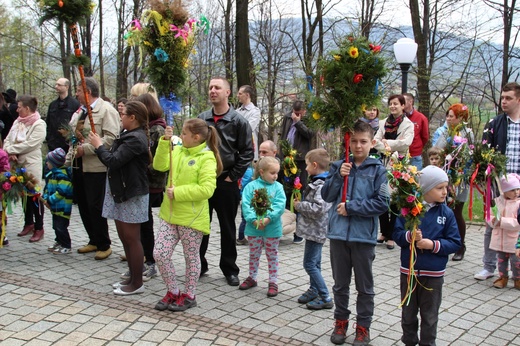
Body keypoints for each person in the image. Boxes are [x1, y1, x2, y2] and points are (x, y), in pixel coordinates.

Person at [321, 121, 389, 345]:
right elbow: (327, 196)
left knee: (364, 287)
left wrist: (351, 208)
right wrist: (339, 176)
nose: (358, 146)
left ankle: (363, 327)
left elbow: (382, 203)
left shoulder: (378, 170)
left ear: (372, 142)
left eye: (363, 141)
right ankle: (340, 322)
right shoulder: (338, 166)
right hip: (339, 236)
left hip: (363, 237)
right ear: (348, 142)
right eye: (355, 141)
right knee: (340, 284)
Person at [152, 118, 221, 311]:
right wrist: (164, 143)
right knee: (160, 253)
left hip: (191, 218)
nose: (180, 135)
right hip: (169, 214)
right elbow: (159, 166)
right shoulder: (178, 150)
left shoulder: (207, 158)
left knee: (191, 257)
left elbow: (207, 189)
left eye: (184, 133)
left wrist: (179, 193)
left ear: (196, 137)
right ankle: (173, 291)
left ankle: (189, 295)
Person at [393, 165, 461, 346]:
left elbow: (455, 242)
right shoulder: (408, 210)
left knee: (430, 315)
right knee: (408, 313)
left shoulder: (446, 214)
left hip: (433, 274)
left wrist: (432, 245)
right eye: (440, 188)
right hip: (409, 272)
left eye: (446, 187)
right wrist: (410, 237)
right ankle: (409, 340)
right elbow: (397, 235)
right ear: (425, 188)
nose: (445, 192)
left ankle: (428, 343)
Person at [89, 100, 150, 295]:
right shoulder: (128, 135)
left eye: (123, 115)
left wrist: (99, 146)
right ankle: (132, 278)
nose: (120, 118)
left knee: (132, 238)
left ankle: (137, 283)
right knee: (124, 237)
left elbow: (113, 161)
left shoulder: (136, 139)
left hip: (131, 193)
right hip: (121, 192)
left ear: (133, 117)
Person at [198, 76, 254, 286]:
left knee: (228, 227)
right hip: (203, 182)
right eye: (210, 87)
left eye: (217, 88)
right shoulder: (202, 119)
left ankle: (229, 269)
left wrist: (233, 176)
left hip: (226, 182)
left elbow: (247, 152)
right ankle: (199, 265)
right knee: (200, 227)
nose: (213, 90)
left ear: (227, 93)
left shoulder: (239, 121)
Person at [66, 77, 120, 260]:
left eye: (79, 91)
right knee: (83, 204)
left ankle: (104, 243)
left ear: (87, 91)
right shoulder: (80, 111)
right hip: (79, 165)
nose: (76, 94)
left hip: (96, 166)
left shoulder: (106, 110)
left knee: (96, 206)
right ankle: (93, 239)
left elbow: (111, 139)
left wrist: (86, 149)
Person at [475, 82, 520, 280]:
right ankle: (489, 266)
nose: (504, 101)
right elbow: (485, 152)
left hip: (518, 185)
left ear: (518, 99)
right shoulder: (494, 124)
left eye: (508, 98)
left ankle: (516, 269)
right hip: (498, 184)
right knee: (492, 223)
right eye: (502, 97)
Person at [239, 156, 286, 297]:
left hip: (272, 228)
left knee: (272, 255)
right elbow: (246, 204)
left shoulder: (278, 187)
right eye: (272, 173)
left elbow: (280, 205)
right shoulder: (251, 187)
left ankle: (273, 281)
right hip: (254, 228)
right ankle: (252, 277)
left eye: (277, 173)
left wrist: (268, 218)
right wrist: (253, 219)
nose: (275, 176)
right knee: (254, 254)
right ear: (261, 172)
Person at [294, 148, 333, 310]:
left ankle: (325, 296)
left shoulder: (321, 185)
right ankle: (314, 289)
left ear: (315, 165)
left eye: (307, 164)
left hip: (316, 230)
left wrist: (299, 205)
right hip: (314, 229)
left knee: (309, 264)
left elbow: (319, 208)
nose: (305, 168)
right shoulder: (319, 182)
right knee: (315, 263)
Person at [433, 103, 474, 261]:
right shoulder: (443, 132)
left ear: (461, 118)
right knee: (441, 210)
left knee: (457, 212)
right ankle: (442, 243)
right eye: (447, 115)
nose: (448, 119)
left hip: (460, 179)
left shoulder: (467, 133)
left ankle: (460, 245)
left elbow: (471, 154)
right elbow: (436, 150)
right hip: (444, 177)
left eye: (452, 116)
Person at [374, 94, 414, 249]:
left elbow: (405, 144)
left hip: (399, 164)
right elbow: (375, 141)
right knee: (382, 196)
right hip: (383, 163)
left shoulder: (408, 124)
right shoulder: (383, 122)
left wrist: (386, 143)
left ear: (403, 106)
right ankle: (383, 231)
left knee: (395, 200)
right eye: (390, 104)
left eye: (396, 104)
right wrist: (387, 145)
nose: (393, 106)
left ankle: (391, 235)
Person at [5, 95, 46, 242]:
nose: (17, 109)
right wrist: (10, 150)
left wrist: (14, 150)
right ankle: (29, 223)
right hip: (16, 163)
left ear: (27, 108)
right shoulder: (17, 122)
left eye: (20, 106)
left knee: (34, 194)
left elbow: (31, 144)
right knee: (23, 194)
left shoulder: (39, 124)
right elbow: (7, 139)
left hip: (30, 163)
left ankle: (39, 227)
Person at [279, 100, 316, 243]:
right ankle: (283, 226)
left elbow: (309, 134)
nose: (296, 115)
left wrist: (299, 122)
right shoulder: (287, 117)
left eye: (299, 113)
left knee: (298, 193)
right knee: (285, 192)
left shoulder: (310, 120)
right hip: (287, 159)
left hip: (300, 161)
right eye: (295, 113)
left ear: (304, 112)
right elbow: (283, 136)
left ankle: (299, 232)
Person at [237, 140, 278, 245]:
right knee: (244, 219)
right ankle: (241, 238)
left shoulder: (278, 167)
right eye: (260, 152)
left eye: (264, 152)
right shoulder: (256, 165)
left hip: (270, 215)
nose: (261, 155)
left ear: (274, 152)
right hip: (254, 204)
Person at [488, 174, 520, 289]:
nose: (516, 192)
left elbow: (518, 223)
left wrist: (502, 221)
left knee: (516, 262)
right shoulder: (497, 202)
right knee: (501, 261)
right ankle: (503, 277)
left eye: (518, 189)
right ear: (505, 191)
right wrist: (493, 221)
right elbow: (489, 217)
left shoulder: (518, 204)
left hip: (513, 241)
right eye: (512, 190)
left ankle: (517, 279)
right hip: (500, 240)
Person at [43, 148, 73, 254]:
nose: (46, 163)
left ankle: (66, 245)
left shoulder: (62, 176)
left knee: (61, 227)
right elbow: (47, 188)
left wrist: (50, 200)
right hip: (55, 208)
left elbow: (61, 192)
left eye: (48, 162)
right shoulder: (52, 174)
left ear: (54, 163)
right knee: (55, 226)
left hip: (62, 207)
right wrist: (45, 196)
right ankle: (59, 241)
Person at [46, 78, 80, 153]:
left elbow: (79, 124)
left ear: (67, 87)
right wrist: (49, 139)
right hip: (53, 145)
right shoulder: (53, 105)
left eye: (59, 85)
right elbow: (48, 123)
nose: (56, 86)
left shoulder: (75, 104)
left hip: (67, 145)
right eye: (56, 84)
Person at [403, 93, 429, 170]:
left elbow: (425, 137)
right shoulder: (398, 117)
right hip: (400, 155)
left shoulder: (421, 118)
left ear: (410, 101)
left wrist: (417, 147)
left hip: (414, 156)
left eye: (403, 100)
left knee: (415, 180)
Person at [237, 85, 261, 160]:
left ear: (247, 95)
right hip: (237, 150)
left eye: (240, 94)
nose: (238, 96)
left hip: (250, 151)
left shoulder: (255, 112)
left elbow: (248, 128)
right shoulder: (236, 112)